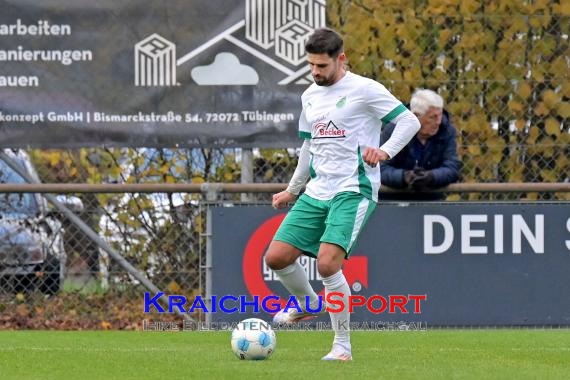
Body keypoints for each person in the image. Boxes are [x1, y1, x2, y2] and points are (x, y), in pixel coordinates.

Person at [264, 28, 420, 361]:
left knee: (327, 264)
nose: (316, 72)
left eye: (322, 66)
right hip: (318, 190)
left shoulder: (365, 90)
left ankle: (342, 347)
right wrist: (293, 190)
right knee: (276, 257)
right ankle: (308, 304)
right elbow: (309, 145)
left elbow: (408, 121)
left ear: (341, 59)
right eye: (311, 66)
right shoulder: (310, 95)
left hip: (354, 188)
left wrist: (385, 151)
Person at [379, 89, 462, 201]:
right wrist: (404, 177)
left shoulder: (447, 131)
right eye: (433, 117)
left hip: (431, 200)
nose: (438, 121)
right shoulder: (393, 130)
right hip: (393, 200)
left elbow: (452, 168)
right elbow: (380, 169)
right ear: (416, 116)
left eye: (440, 115)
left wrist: (431, 177)